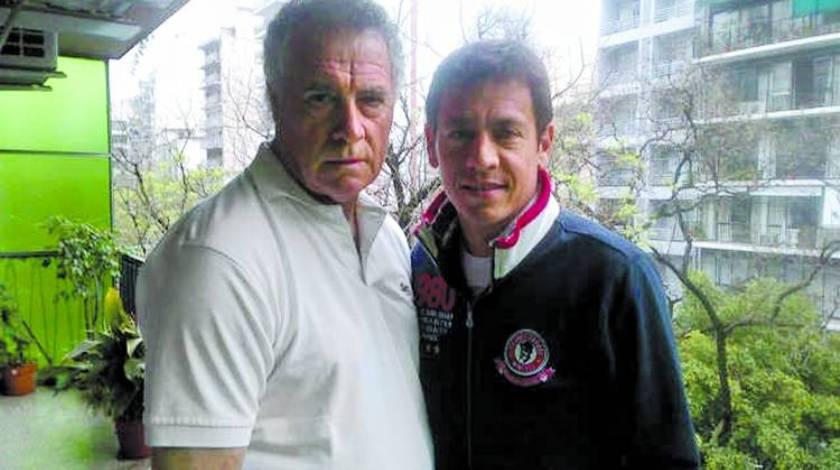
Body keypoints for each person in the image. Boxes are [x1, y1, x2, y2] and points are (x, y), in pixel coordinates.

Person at [136, 1, 433, 468]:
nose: (350, 129)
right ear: (275, 101)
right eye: (320, 98)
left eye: (371, 100)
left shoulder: (387, 234)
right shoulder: (217, 258)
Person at [412, 40, 700, 469]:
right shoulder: (420, 269)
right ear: (432, 144)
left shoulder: (613, 277)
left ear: (544, 142)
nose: (482, 157)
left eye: (506, 133)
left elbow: (668, 458)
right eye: (460, 133)